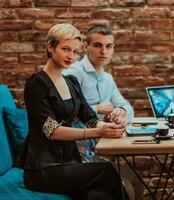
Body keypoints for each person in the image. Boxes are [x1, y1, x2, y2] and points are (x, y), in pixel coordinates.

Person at [16, 23, 129, 200]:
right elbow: (51, 131)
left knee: (97, 196)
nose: (71, 56)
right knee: (106, 170)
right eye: (66, 49)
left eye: (75, 52)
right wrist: (96, 131)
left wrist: (107, 124)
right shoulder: (36, 83)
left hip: (69, 163)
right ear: (50, 47)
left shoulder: (71, 82)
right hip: (43, 169)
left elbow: (89, 116)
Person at [63, 25, 143, 200]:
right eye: (98, 45)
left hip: (99, 149)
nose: (104, 51)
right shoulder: (73, 73)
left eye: (109, 46)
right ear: (86, 46)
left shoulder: (107, 78)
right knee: (123, 183)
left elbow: (126, 107)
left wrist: (120, 112)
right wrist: (97, 109)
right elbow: (62, 110)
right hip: (76, 153)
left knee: (135, 179)